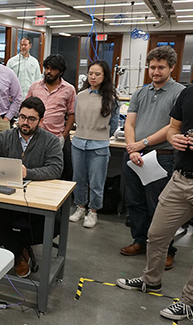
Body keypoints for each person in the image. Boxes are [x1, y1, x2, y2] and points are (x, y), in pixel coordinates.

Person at [117, 37, 193, 322]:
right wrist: (176, 138)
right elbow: (172, 129)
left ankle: (190, 302)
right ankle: (151, 279)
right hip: (180, 179)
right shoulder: (190, 94)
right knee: (156, 234)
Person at [0, 96, 63, 278]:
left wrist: (28, 172)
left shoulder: (51, 141)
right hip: (7, 198)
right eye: (22, 117)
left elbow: (56, 168)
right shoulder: (5, 137)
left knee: (54, 225)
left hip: (37, 201)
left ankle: (16, 247)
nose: (25, 122)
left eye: (31, 119)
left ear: (40, 120)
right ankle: (19, 252)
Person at [118, 46, 185, 270]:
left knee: (160, 206)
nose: (155, 72)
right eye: (152, 67)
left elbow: (173, 127)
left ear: (172, 67)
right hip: (135, 156)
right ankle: (140, 241)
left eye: (160, 67)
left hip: (162, 157)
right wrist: (133, 148)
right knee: (135, 203)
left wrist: (143, 143)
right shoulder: (140, 93)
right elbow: (129, 123)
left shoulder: (180, 93)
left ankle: (165, 250)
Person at [68, 60, 119, 228]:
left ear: (104, 77)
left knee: (97, 182)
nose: (93, 77)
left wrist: (101, 135)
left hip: (99, 145)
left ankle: (93, 211)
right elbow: (76, 116)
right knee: (78, 179)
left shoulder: (110, 97)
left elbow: (114, 123)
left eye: (97, 74)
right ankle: (80, 207)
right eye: (90, 73)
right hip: (79, 143)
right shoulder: (80, 95)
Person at [27, 54, 76, 180]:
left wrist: (64, 136)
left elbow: (72, 114)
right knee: (35, 172)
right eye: (47, 68)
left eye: (53, 69)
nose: (48, 72)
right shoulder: (35, 87)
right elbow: (26, 108)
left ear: (60, 71)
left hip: (55, 137)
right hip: (35, 137)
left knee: (55, 173)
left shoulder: (69, 89)